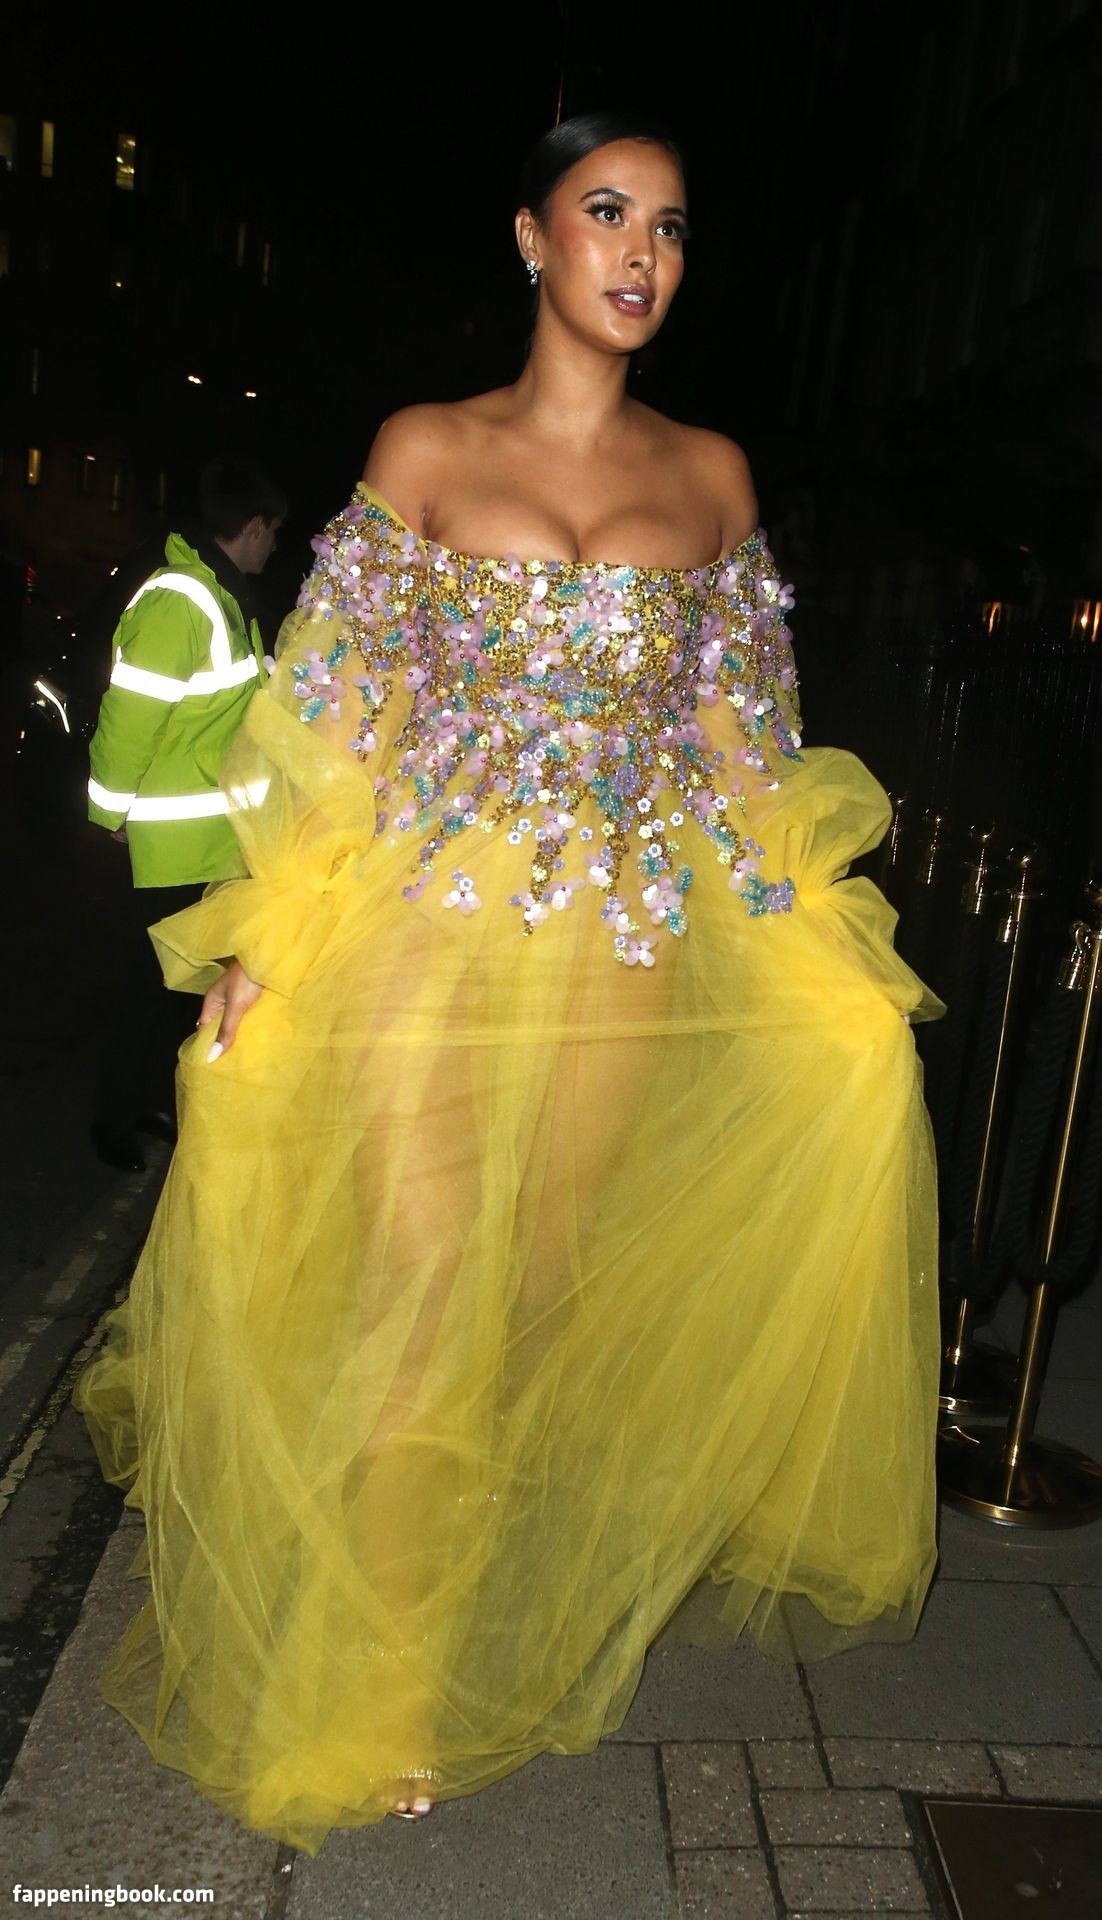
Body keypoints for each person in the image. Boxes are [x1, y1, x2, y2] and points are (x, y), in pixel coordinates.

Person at [76, 115, 942, 1849]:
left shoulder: (710, 478)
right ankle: (382, 1676)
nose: (641, 253)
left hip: (619, 939)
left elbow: (740, 750)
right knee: (422, 1289)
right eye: (606, 213)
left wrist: (829, 947)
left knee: (536, 1284)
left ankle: (458, 1561)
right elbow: (332, 719)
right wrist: (263, 943)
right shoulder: (427, 449)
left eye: (670, 227)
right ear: (534, 239)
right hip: (427, 925)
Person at [86, 456, 286, 1170]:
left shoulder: (222, 597)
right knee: (144, 989)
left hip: (209, 839)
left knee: (176, 993)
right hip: (169, 841)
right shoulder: (183, 600)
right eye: (273, 534)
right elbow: (129, 718)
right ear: (254, 527)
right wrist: (109, 814)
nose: (273, 549)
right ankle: (113, 1120)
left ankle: (147, 1103)